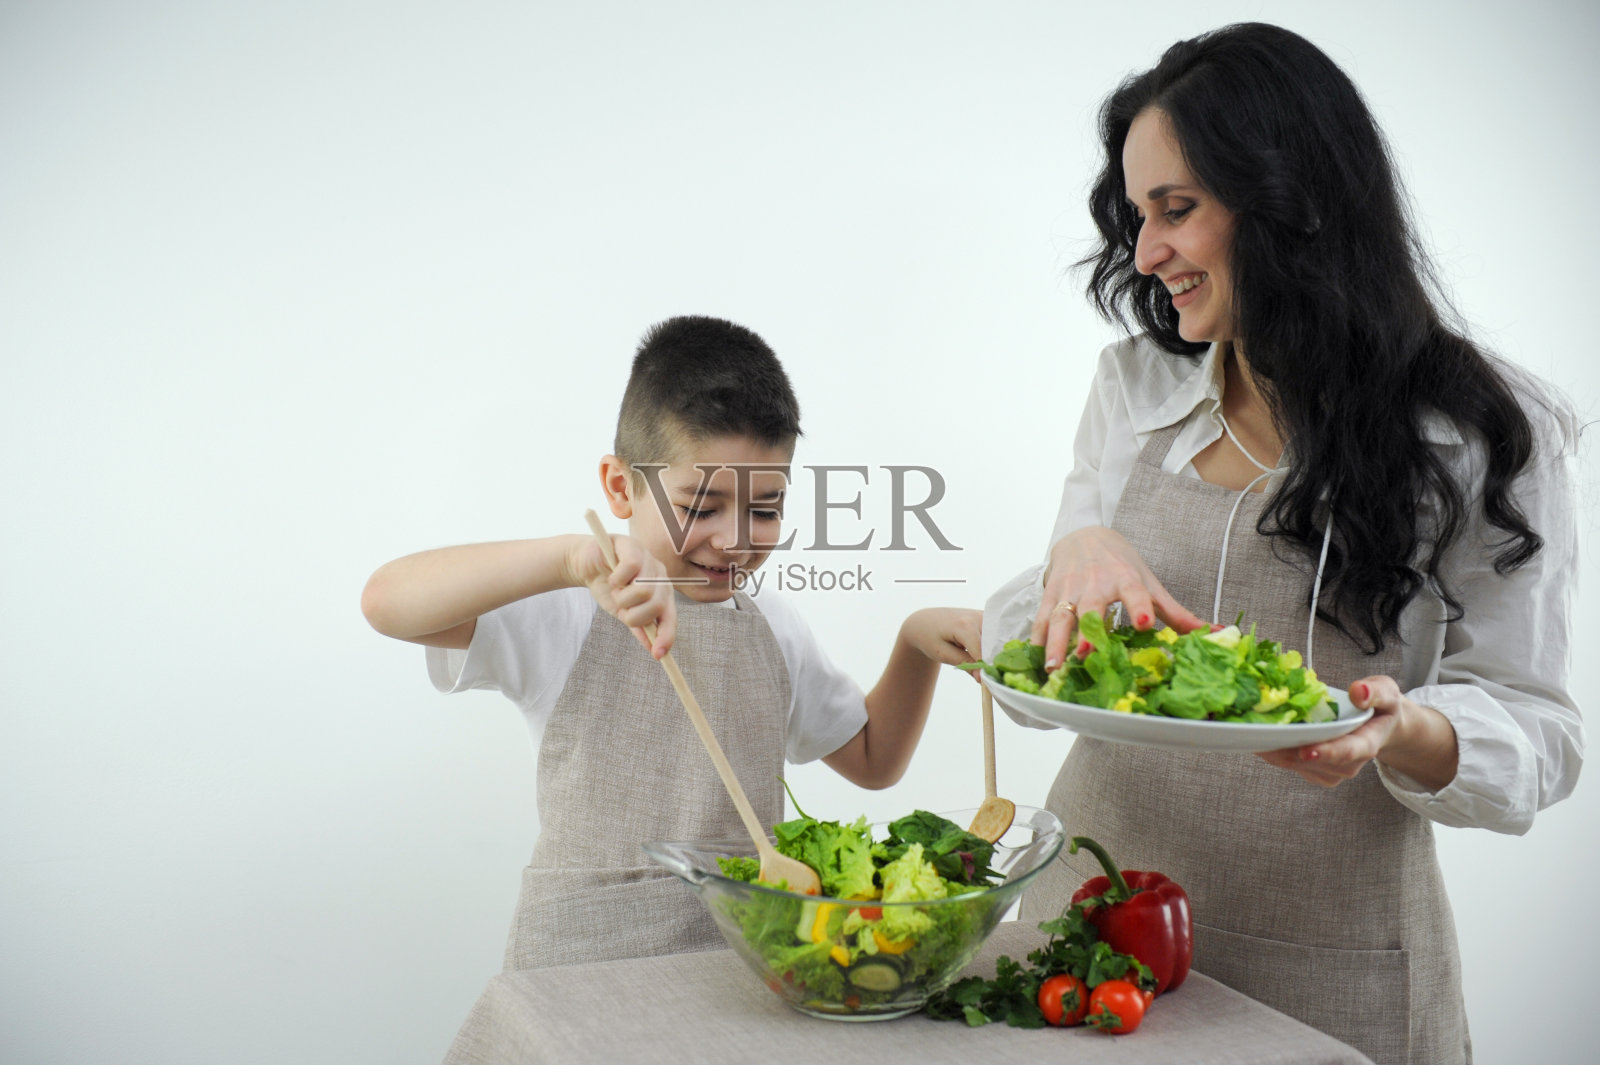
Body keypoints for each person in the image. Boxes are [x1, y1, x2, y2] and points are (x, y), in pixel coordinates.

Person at [983, 23, 1582, 1065]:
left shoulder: (1480, 431)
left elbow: (1538, 730)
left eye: (1177, 211)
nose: (1145, 253)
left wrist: (1399, 729)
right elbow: (1050, 646)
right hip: (1092, 911)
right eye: (1136, 216)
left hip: (1330, 948)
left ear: (1292, 204)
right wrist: (1073, 552)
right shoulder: (1134, 389)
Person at [363, 315, 981, 970]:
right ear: (620, 487)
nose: (736, 538)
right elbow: (387, 601)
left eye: (765, 508)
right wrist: (573, 559)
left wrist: (915, 643)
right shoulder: (569, 607)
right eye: (701, 506)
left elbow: (872, 759)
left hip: (738, 967)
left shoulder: (772, 624)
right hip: (575, 967)